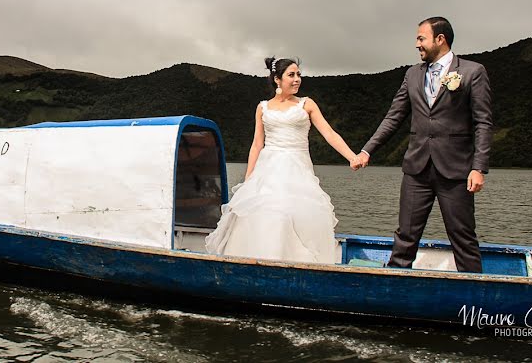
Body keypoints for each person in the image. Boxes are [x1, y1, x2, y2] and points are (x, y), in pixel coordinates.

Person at [355, 17, 493, 272]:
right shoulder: (412, 74)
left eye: (421, 38)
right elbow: (394, 116)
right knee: (405, 235)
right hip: (416, 169)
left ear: (440, 39)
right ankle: (394, 287)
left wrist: (479, 168)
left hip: (456, 170)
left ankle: (474, 296)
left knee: (462, 237)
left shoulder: (473, 72)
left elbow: (483, 123)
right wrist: (367, 150)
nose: (416, 44)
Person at [205, 57, 362, 264]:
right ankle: (259, 263)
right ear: (277, 80)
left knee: (296, 213)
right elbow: (256, 144)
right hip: (268, 169)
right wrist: (249, 178)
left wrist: (352, 157)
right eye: (291, 75)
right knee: (266, 214)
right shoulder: (263, 107)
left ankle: (297, 263)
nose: (297, 79)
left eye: (299, 75)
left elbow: (329, 134)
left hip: (297, 169)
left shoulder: (307, 104)